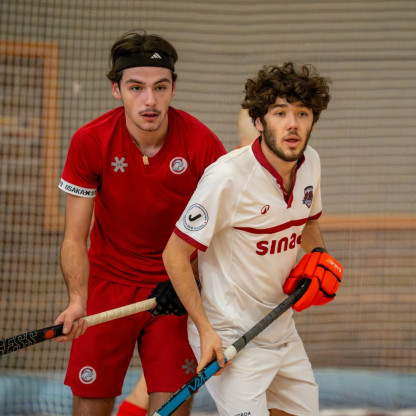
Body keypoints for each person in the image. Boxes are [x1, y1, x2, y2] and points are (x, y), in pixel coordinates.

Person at [54, 29, 226, 416]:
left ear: (173, 88)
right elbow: (74, 238)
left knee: (172, 408)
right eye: (136, 88)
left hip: (175, 287)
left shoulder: (202, 144)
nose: (150, 101)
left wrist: (191, 280)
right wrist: (78, 299)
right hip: (107, 285)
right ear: (116, 89)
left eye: (160, 87)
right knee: (89, 406)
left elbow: (220, 235)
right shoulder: (90, 141)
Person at [162, 62, 344, 416]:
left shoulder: (311, 163)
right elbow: (174, 254)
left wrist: (320, 256)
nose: (293, 124)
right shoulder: (226, 177)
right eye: (280, 113)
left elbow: (307, 220)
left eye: (302, 114)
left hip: (280, 328)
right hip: (229, 335)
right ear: (259, 122)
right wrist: (205, 331)